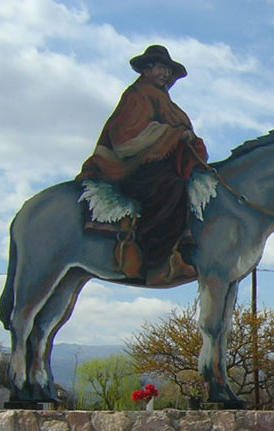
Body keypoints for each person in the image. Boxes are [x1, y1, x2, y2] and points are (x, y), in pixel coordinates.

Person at [77, 45, 208, 282]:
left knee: (190, 185)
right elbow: (127, 138)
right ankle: (156, 263)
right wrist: (174, 134)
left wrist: (187, 138)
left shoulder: (165, 101)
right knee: (170, 189)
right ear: (146, 70)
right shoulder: (136, 95)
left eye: (167, 69)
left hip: (158, 164)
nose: (165, 73)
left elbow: (180, 129)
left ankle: (179, 248)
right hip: (130, 168)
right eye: (160, 67)